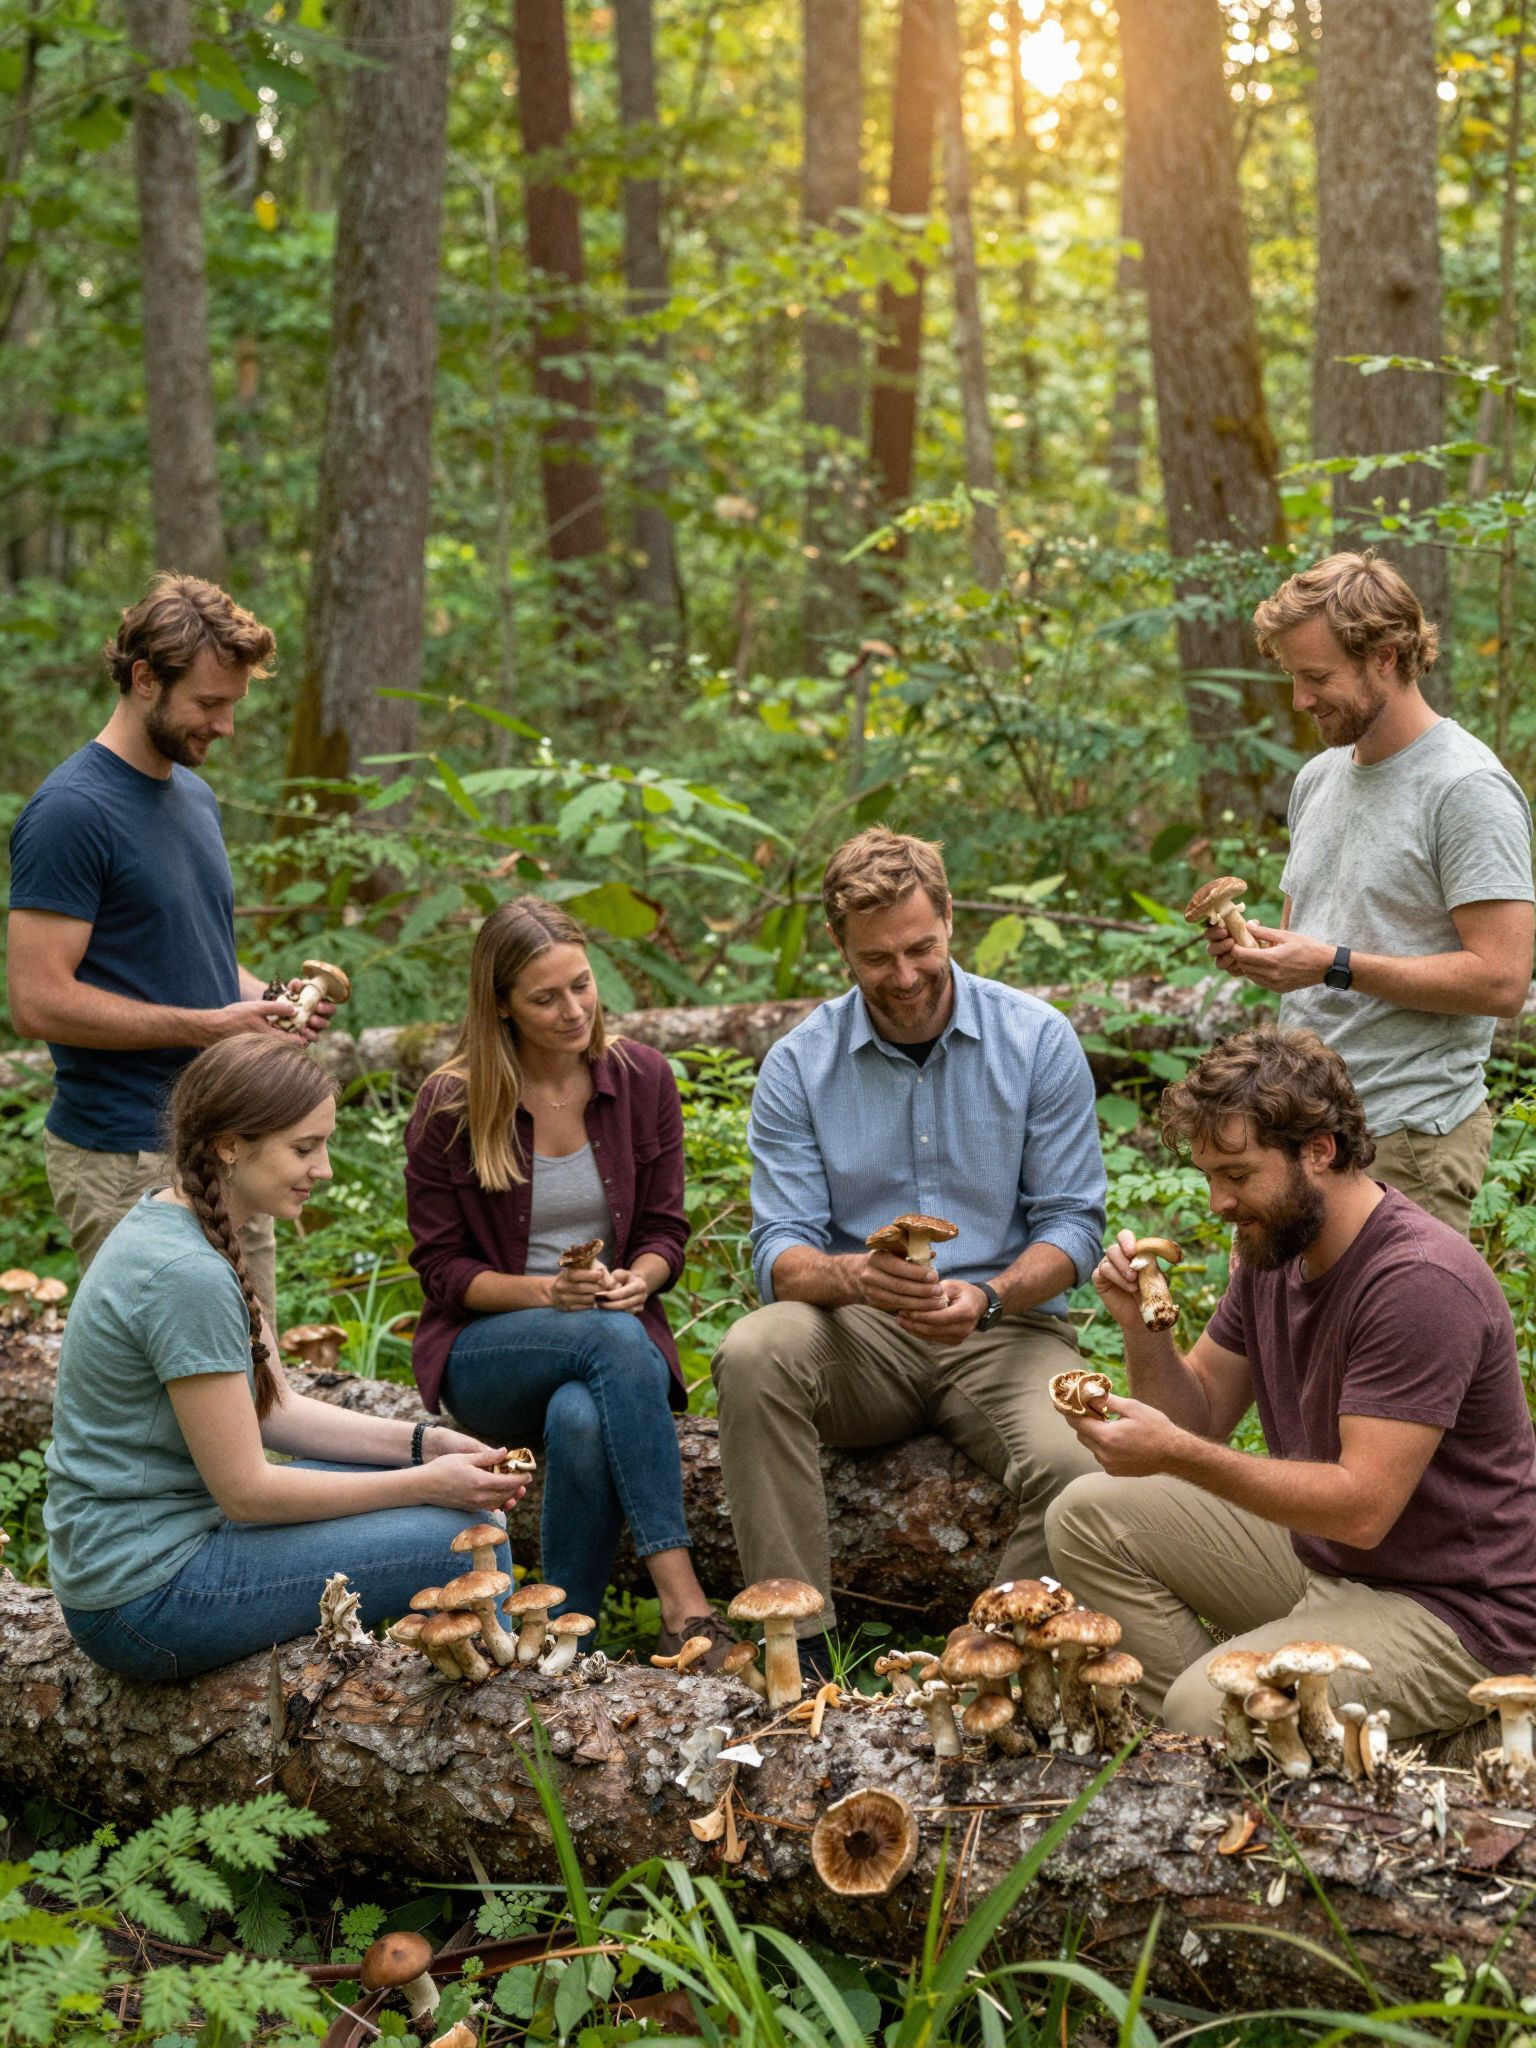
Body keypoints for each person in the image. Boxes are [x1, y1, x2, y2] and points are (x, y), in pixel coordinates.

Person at [1045, 1028, 1536, 1749]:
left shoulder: (1419, 1282)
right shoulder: (1275, 1249)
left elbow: (1363, 1508)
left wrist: (1176, 1453)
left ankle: (1252, 1740)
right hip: (1329, 1559)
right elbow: (1199, 1416)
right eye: (1208, 1176)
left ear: (1319, 1151)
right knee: (1088, 1513)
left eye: (1238, 1175)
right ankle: (1217, 1750)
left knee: (1206, 1708)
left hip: (1456, 1610)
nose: (1218, 1201)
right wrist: (1141, 1330)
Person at [713, 827, 1107, 1678]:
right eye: (876, 958)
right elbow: (778, 1250)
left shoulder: (1036, 1039)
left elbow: (1074, 1226)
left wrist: (992, 1296)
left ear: (950, 918)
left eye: (921, 948)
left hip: (1006, 1329)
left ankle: (986, 1665)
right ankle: (799, 1656)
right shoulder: (799, 1064)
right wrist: (855, 1276)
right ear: (838, 945)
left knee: (1081, 1461)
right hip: (861, 1336)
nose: (903, 976)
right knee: (752, 1351)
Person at [46, 1036, 524, 1682]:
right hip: (146, 1600)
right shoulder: (186, 1273)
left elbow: (278, 1412)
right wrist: (426, 1483)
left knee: (444, 1501)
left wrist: (424, 1445)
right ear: (230, 1145)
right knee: (463, 1537)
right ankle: (513, 1711)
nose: (323, 1169)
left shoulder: (190, 1225)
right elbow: (247, 1491)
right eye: (304, 1148)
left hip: (166, 1555)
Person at [6, 576, 342, 1326]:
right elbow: (36, 1002)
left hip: (228, 1144)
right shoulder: (71, 812)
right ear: (144, 679)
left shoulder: (193, 795)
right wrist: (211, 1026)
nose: (226, 726)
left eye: (234, 704)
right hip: (126, 1156)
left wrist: (264, 1002)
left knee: (252, 1364)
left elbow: (193, 955)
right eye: (210, 703)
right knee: (165, 1382)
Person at [403, 897, 731, 1663]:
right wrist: (545, 1295)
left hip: (612, 1341)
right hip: (491, 1353)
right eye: (545, 998)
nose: (574, 1010)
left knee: (582, 1416)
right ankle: (685, 1606)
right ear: (501, 1006)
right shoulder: (451, 1104)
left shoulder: (642, 1078)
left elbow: (665, 1231)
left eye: (581, 985)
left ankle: (559, 1644)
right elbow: (442, 1270)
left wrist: (641, 1279)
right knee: (609, 1340)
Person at [1202, 551, 1533, 1234]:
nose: (1301, 699)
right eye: (1294, 677)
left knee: (1401, 1309)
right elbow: (1310, 950)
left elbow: (1502, 980)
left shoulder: (1465, 788)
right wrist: (1262, 954)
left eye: (1317, 677)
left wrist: (1333, 964)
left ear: (1385, 657)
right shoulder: (1318, 778)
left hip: (1406, 1137)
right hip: (1300, 1130)